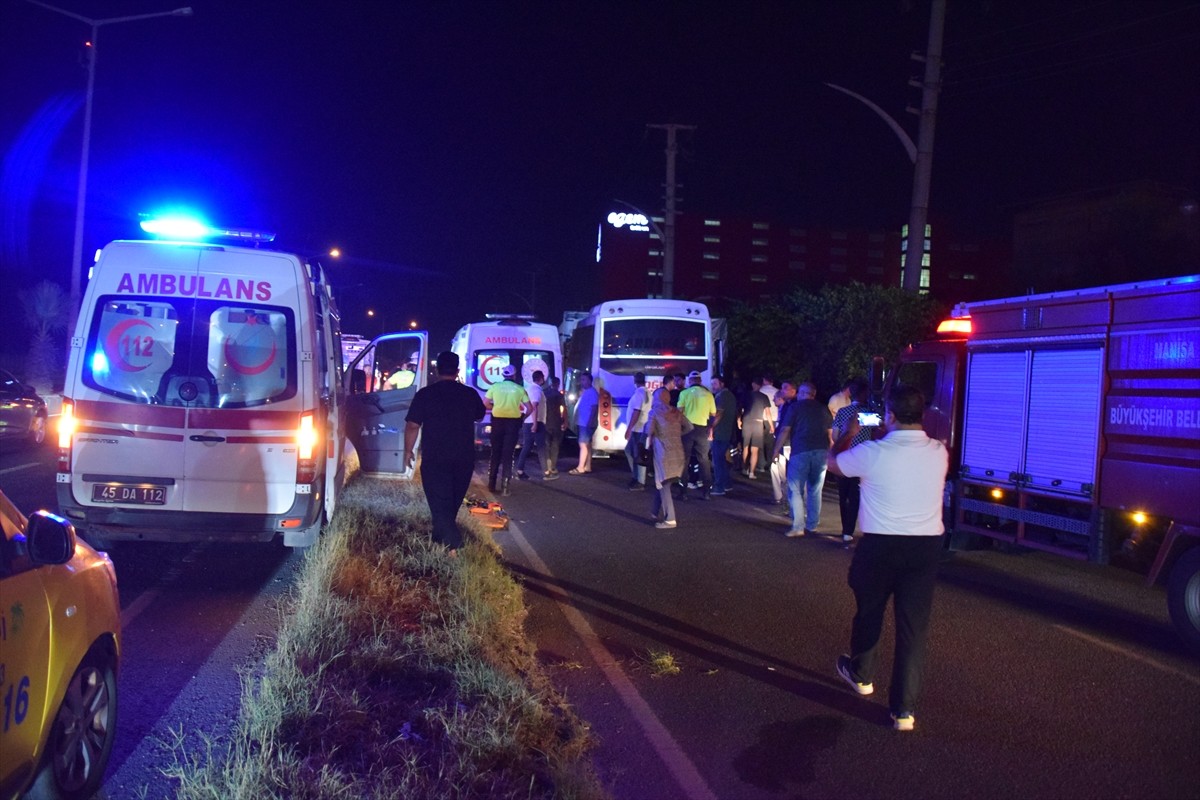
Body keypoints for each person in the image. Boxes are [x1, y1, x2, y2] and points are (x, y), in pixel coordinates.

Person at [828, 384, 948, 733]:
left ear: (890, 415)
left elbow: (833, 463)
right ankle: (903, 711)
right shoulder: (938, 452)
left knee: (869, 612)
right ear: (922, 415)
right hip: (924, 549)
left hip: (879, 545)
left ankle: (862, 674)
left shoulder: (872, 452)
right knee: (913, 629)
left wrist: (848, 435)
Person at [404, 351, 485, 557]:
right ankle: (441, 542)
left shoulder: (425, 394)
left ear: (437, 369)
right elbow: (479, 415)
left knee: (440, 503)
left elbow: (413, 425)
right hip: (464, 458)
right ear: (457, 371)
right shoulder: (470, 394)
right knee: (451, 503)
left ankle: (454, 544)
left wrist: (408, 451)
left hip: (435, 458)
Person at [772, 381, 833, 537]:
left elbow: (785, 430)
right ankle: (812, 525)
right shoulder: (822, 408)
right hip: (821, 452)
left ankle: (798, 526)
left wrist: (776, 450)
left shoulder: (794, 408)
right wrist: (832, 452)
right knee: (815, 489)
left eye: (799, 392)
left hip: (800, 450)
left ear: (804, 394)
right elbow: (830, 433)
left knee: (795, 489)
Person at [830, 378, 872, 544]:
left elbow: (834, 435)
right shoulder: (868, 413)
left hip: (844, 456)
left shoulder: (842, 412)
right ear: (864, 394)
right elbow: (877, 431)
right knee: (856, 495)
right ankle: (850, 529)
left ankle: (845, 529)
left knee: (843, 494)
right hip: (862, 458)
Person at [646, 386, 693, 529]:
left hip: (663, 453)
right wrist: (676, 434)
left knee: (663, 483)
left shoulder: (654, 412)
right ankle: (654, 511)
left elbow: (649, 431)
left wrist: (647, 444)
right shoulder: (676, 412)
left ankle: (670, 519)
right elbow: (690, 427)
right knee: (663, 482)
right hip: (678, 453)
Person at [484, 364, 530, 496]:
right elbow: (530, 408)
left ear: (503, 375)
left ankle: (491, 485)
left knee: (495, 453)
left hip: (497, 422)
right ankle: (505, 487)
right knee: (508, 455)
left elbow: (485, 403)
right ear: (514, 375)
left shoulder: (495, 387)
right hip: (513, 424)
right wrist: (522, 418)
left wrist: (495, 405)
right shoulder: (520, 389)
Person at [677, 370, 716, 499]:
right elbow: (713, 415)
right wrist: (710, 429)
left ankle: (683, 492)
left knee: (685, 460)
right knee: (704, 460)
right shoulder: (709, 395)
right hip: (702, 430)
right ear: (700, 381)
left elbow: (679, 412)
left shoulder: (684, 393)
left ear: (690, 381)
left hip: (687, 429)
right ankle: (707, 492)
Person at [768, 381, 798, 513]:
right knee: (781, 472)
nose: (782, 390)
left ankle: (788, 503)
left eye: (785, 388)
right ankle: (784, 500)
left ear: (794, 391)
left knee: (786, 474)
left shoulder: (793, 406)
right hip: (785, 443)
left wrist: (777, 446)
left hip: (788, 444)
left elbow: (786, 428)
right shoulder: (787, 405)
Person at [709, 375, 739, 496]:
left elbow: (719, 413)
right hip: (726, 432)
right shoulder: (730, 396)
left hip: (720, 433)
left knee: (718, 461)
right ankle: (727, 484)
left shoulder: (723, 396)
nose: (713, 386)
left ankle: (719, 486)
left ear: (722, 384)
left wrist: (711, 427)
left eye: (715, 384)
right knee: (721, 459)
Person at [515, 369, 546, 481]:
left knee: (527, 447)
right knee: (541, 447)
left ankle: (520, 470)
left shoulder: (528, 388)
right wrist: (535, 423)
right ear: (541, 378)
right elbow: (534, 406)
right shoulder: (536, 389)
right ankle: (546, 472)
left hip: (528, 421)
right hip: (535, 422)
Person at [623, 371, 652, 490]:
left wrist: (629, 429)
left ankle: (640, 481)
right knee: (631, 452)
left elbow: (636, 412)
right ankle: (636, 477)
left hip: (637, 429)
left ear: (635, 381)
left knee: (638, 455)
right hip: (641, 428)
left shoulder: (639, 394)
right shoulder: (647, 392)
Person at [570, 371, 599, 475]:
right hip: (584, 423)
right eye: (581, 379)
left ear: (589, 381)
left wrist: (590, 422)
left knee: (583, 444)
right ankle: (587, 466)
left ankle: (580, 467)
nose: (581, 382)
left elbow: (594, 408)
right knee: (587, 445)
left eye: (583, 379)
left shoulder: (592, 392)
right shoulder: (586, 392)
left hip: (585, 423)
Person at [741, 379, 770, 478]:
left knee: (745, 447)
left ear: (753, 384)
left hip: (747, 422)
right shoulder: (764, 397)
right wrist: (771, 425)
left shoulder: (746, 395)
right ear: (761, 386)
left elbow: (740, 409)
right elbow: (767, 412)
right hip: (758, 423)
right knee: (755, 449)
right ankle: (752, 472)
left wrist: (738, 420)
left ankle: (745, 468)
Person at [542, 376, 565, 480]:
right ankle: (553, 467)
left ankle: (547, 466)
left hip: (545, 422)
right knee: (555, 445)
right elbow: (563, 409)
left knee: (546, 445)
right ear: (558, 384)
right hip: (556, 422)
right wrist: (565, 421)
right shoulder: (559, 395)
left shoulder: (545, 393)